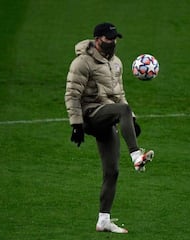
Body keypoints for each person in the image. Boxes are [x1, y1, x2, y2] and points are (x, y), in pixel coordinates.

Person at [64, 22, 154, 234]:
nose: (112, 42)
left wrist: (132, 121)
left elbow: (119, 95)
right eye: (108, 39)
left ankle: (103, 220)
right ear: (97, 40)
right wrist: (76, 124)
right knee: (123, 110)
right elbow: (72, 94)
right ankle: (136, 156)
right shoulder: (82, 63)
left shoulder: (116, 63)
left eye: (115, 39)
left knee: (112, 171)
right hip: (90, 114)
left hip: (107, 116)